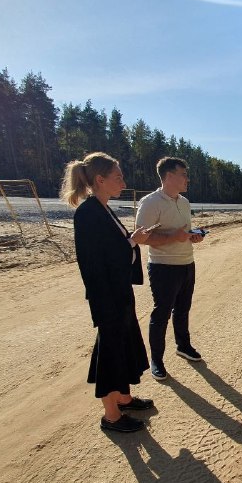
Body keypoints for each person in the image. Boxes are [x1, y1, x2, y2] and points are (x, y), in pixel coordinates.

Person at [61, 152, 156, 434]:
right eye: (118, 177)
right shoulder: (88, 213)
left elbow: (113, 248)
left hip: (118, 293)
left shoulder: (103, 208)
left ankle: (124, 398)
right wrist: (131, 244)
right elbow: (93, 261)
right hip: (107, 296)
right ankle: (111, 415)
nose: (123, 183)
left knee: (124, 345)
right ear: (100, 180)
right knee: (110, 352)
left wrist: (131, 242)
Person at [135, 157, 205, 381]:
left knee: (183, 309)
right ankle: (156, 360)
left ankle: (183, 346)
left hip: (187, 263)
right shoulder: (150, 202)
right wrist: (173, 237)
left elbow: (184, 231)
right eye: (183, 174)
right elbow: (142, 238)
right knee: (161, 314)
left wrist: (193, 237)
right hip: (163, 267)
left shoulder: (184, 202)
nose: (187, 178)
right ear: (168, 176)